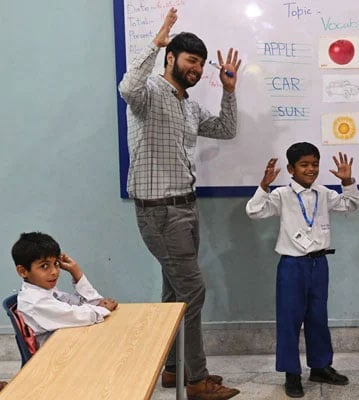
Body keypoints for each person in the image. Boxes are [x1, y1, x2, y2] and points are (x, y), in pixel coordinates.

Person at [117, 7, 241, 400]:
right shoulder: (148, 93)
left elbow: (225, 129)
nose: (197, 68)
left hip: (187, 207)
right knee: (193, 292)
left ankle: (173, 370)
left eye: (201, 64)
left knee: (174, 294)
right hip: (159, 210)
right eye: (191, 60)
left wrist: (228, 89)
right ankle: (197, 380)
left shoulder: (189, 104)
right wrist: (157, 41)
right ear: (171, 58)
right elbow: (126, 87)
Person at [245, 142, 359, 398]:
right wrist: (264, 186)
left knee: (318, 317)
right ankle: (291, 374)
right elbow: (254, 211)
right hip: (292, 266)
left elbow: (351, 205)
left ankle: (320, 366)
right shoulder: (281, 196)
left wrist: (348, 181)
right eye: (304, 165)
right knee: (289, 320)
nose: (311, 169)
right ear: (291, 168)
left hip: (319, 264)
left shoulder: (324, 193)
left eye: (315, 164)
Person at [11, 232, 118, 347]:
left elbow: (85, 303)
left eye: (56, 263)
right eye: (44, 266)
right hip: (55, 356)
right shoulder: (35, 302)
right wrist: (102, 309)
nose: (54, 271)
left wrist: (75, 272)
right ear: (23, 271)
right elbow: (77, 315)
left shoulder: (46, 290)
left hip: (68, 343)